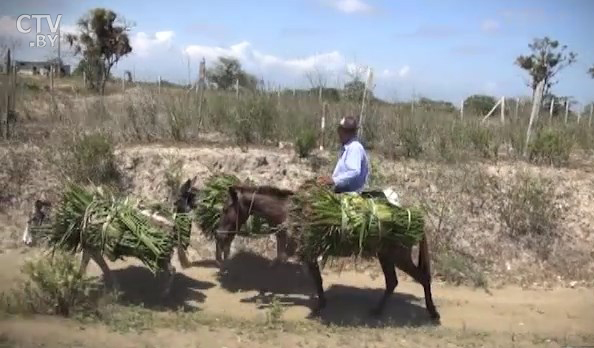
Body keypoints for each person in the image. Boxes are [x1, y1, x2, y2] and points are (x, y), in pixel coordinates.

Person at [317, 116, 369, 193]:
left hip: (350, 195)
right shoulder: (348, 147)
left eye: (340, 131)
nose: (339, 134)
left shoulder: (354, 147)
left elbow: (354, 171)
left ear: (345, 132)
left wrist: (334, 180)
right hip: (343, 192)